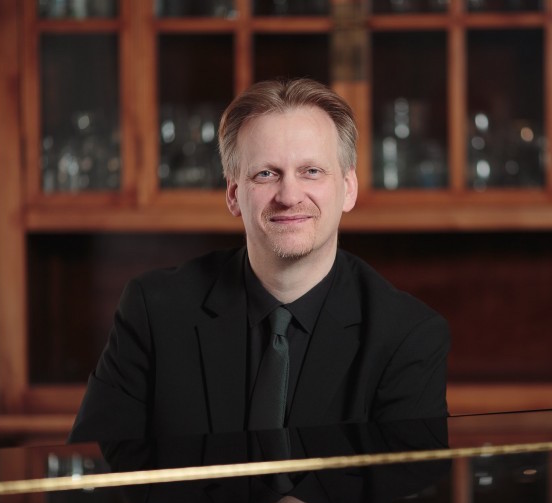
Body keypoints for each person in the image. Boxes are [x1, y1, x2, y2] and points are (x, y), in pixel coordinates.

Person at [68, 78, 450, 443]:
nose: (289, 195)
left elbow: (408, 483)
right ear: (234, 194)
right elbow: (98, 467)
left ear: (348, 189)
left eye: (311, 171)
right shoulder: (154, 311)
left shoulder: (407, 335)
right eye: (266, 174)